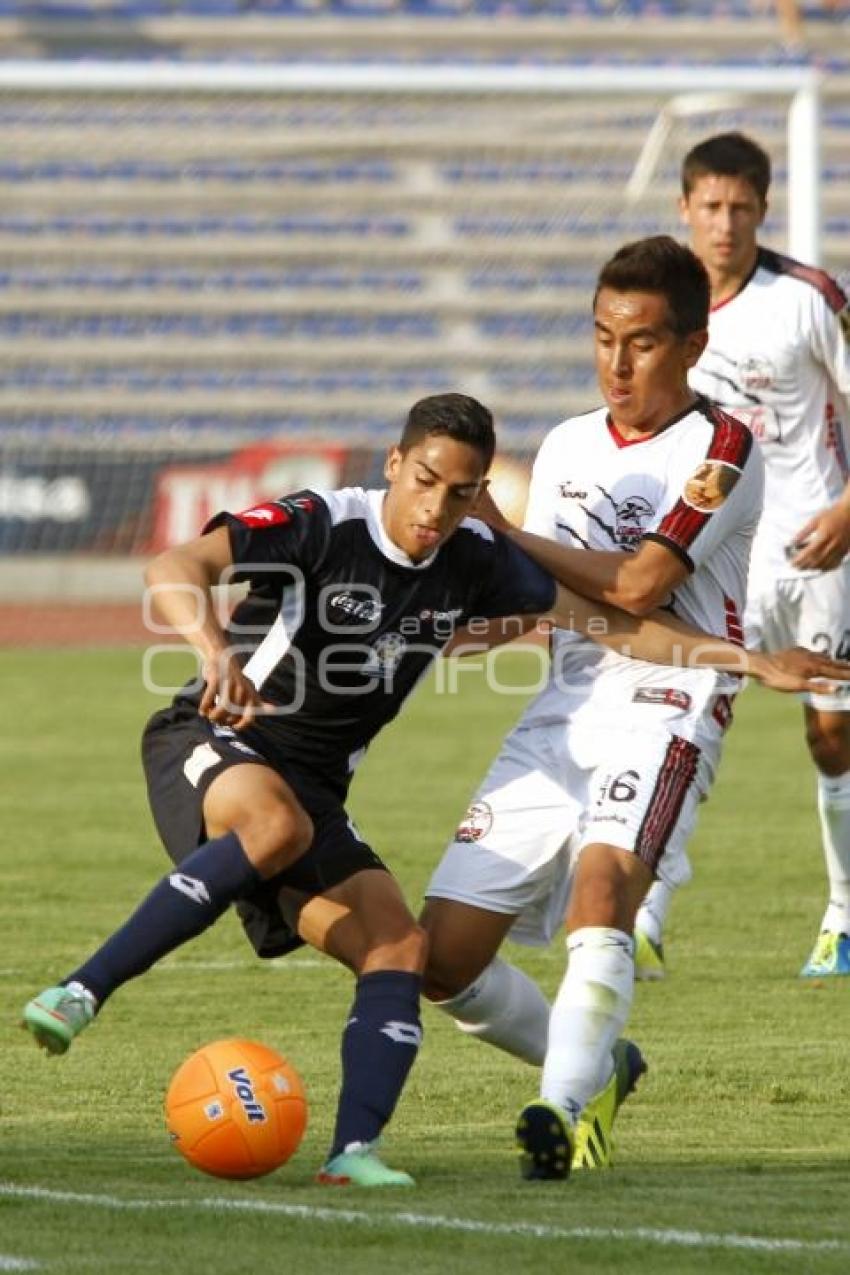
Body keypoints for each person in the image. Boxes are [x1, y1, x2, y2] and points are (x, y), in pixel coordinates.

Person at [24, 392, 824, 1189]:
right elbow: (175, 567)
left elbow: (610, 623)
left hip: (313, 795)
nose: (436, 508)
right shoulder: (324, 520)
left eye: (462, 491)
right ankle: (78, 991)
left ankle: (351, 1155)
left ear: (480, 493)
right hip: (215, 737)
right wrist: (209, 649)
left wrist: (750, 661)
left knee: (403, 949)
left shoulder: (476, 556)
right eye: (427, 480)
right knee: (275, 827)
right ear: (395, 465)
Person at [420, 235, 780, 1181]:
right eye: (603, 336)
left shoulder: (723, 448)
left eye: (645, 342)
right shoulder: (571, 444)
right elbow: (546, 605)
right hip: (563, 705)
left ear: (693, 346)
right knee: (439, 960)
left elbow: (637, 582)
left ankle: (560, 1111)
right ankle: (595, 1065)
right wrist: (432, 629)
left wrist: (507, 532)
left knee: (603, 887)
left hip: (674, 694)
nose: (618, 363)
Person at [634, 131, 850, 980]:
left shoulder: (806, 297)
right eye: (711, 207)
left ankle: (842, 916)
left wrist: (848, 510)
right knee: (685, 712)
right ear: (684, 208)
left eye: (742, 209)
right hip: (719, 553)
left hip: (815, 545)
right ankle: (644, 914)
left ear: (764, 209)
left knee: (830, 736)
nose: (725, 224)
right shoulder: (660, 308)